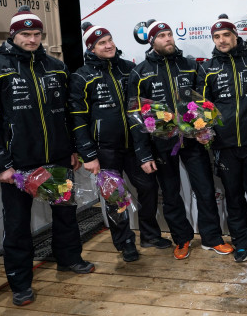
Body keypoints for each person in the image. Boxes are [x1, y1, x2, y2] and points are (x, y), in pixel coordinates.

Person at [0, 6, 94, 307]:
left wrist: (73, 149)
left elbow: (68, 114)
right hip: (18, 165)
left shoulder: (56, 67)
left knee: (65, 214)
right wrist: (0, 162)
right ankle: (21, 284)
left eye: (37, 34)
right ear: (13, 35)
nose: (32, 39)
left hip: (58, 158)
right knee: (17, 226)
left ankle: (69, 259)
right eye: (26, 34)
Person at [127, 20, 234, 260]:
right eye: (162, 35)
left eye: (169, 34)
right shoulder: (140, 72)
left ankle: (212, 238)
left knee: (205, 190)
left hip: (193, 140)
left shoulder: (189, 65)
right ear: (151, 41)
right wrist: (143, 154)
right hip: (162, 144)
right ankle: (182, 238)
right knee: (171, 194)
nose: (168, 39)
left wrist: (203, 125)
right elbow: (135, 117)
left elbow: (202, 101)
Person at [70, 22, 173, 263]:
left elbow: (142, 105)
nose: (109, 45)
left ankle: (149, 234)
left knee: (148, 188)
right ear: (91, 49)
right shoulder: (81, 77)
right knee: (114, 197)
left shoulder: (129, 69)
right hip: (103, 150)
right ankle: (125, 241)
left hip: (134, 146)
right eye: (101, 43)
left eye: (110, 40)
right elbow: (78, 118)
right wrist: (88, 154)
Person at [197, 14, 247, 263]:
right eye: (217, 37)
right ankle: (242, 241)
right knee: (233, 195)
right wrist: (201, 129)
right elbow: (200, 107)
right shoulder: (207, 68)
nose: (222, 40)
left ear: (235, 35)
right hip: (225, 145)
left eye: (226, 35)